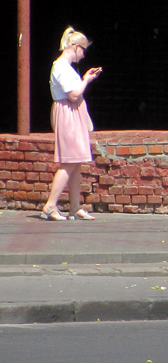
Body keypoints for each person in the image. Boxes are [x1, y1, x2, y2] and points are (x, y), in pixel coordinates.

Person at [40, 27, 102, 221]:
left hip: (73, 114)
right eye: (83, 50)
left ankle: (75, 207)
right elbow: (74, 95)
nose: (83, 55)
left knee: (76, 161)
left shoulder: (67, 68)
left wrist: (85, 78)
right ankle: (50, 205)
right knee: (68, 161)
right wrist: (87, 80)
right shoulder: (60, 66)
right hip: (67, 114)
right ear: (75, 47)